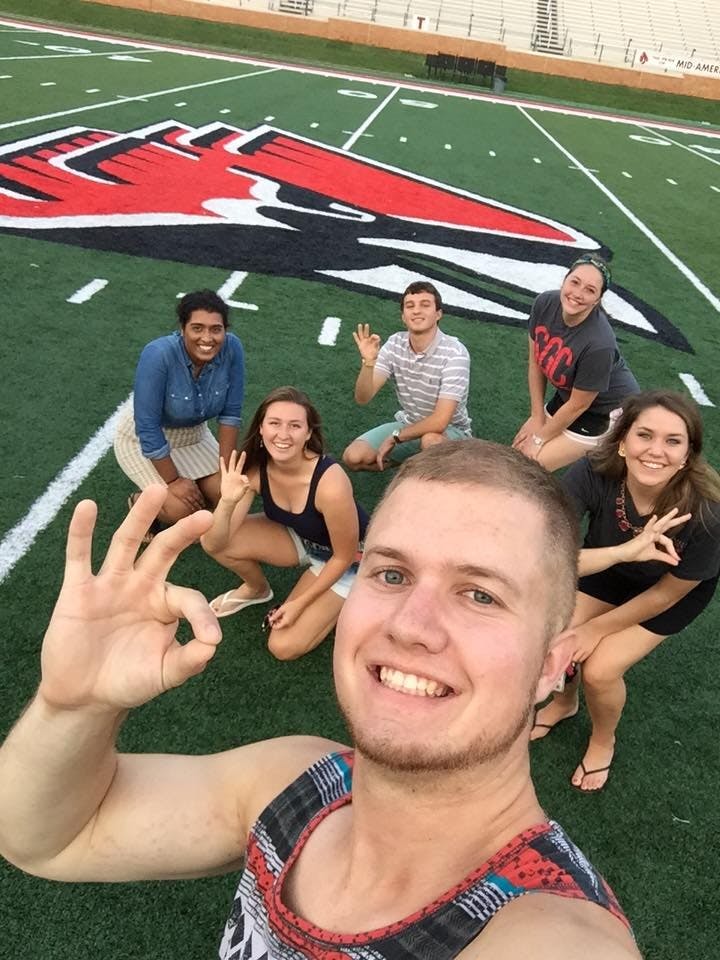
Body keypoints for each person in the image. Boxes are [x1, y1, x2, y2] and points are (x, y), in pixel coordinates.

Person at [0, 441, 641, 958]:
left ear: (552, 667)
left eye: (480, 595)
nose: (410, 626)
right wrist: (74, 705)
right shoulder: (299, 781)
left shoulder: (553, 936)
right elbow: (49, 838)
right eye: (391, 574)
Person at [531, 391, 720, 792]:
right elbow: (549, 556)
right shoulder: (593, 472)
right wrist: (623, 552)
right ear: (622, 441)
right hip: (608, 566)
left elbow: (667, 594)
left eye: (673, 441)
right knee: (556, 636)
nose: (656, 451)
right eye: (644, 435)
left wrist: (595, 630)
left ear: (688, 455)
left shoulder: (708, 511)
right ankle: (565, 703)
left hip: (668, 592)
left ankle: (603, 739)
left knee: (601, 669)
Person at [201, 386, 369, 660]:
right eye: (274, 423)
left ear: (308, 433)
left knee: (282, 646)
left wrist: (300, 604)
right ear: (261, 429)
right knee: (222, 538)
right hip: (302, 539)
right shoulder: (257, 468)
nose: (282, 434)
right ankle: (257, 590)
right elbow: (213, 543)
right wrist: (228, 502)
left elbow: (344, 555)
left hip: (352, 558)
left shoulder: (331, 483)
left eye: (294, 425)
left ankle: (358, 595)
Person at [114, 289, 244, 525]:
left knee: (229, 495)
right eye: (197, 328)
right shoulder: (158, 354)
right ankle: (140, 500)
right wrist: (174, 481)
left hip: (194, 437)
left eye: (216, 329)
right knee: (180, 510)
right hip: (142, 439)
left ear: (225, 330)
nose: (207, 338)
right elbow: (147, 427)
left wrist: (227, 474)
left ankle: (194, 486)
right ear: (182, 329)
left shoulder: (233, 348)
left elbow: (230, 415)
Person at [512, 254, 639, 471]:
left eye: (590, 290)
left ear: (598, 299)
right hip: (568, 398)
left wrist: (539, 439)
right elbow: (536, 363)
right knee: (515, 455)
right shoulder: (544, 303)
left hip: (603, 413)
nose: (578, 294)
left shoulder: (599, 344)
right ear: (565, 280)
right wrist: (536, 416)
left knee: (526, 469)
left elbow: (580, 405)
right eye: (575, 282)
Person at [342, 281, 472, 471]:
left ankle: (441, 470)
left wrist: (397, 436)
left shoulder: (455, 353)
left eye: (425, 305)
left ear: (438, 314)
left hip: (449, 432)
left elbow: (440, 421)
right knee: (354, 457)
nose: (416, 311)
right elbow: (363, 397)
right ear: (403, 317)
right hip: (409, 423)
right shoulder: (395, 344)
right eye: (410, 306)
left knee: (430, 441)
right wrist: (368, 363)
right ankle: (412, 464)